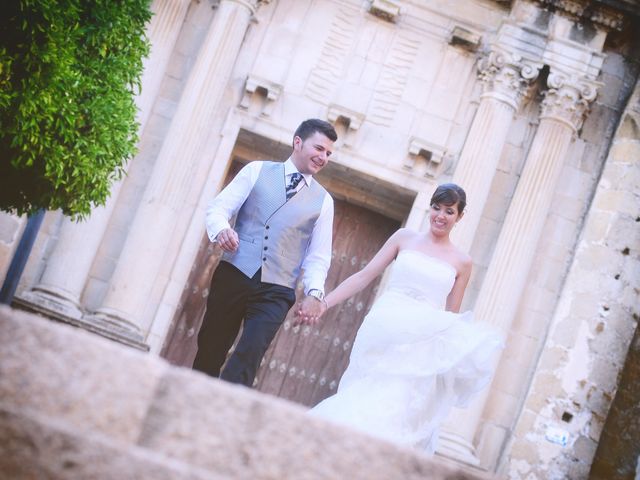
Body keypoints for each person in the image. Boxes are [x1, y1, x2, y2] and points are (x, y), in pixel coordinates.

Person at [307, 183, 504, 453]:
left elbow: (451, 316)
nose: (440, 215)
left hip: (420, 344)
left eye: (449, 211)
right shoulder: (404, 238)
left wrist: (448, 360)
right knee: (364, 393)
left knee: (397, 406)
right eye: (436, 207)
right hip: (384, 329)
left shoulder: (462, 262)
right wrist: (325, 302)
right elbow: (364, 276)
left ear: (459, 217)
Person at [193, 118, 338, 387]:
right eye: (319, 148)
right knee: (210, 350)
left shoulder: (324, 202)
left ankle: (224, 415)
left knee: (250, 355)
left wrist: (314, 293)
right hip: (235, 272)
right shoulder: (256, 170)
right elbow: (218, 209)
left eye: (328, 153)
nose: (323, 157)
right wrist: (221, 230)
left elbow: (318, 257)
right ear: (297, 142)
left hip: (277, 289)